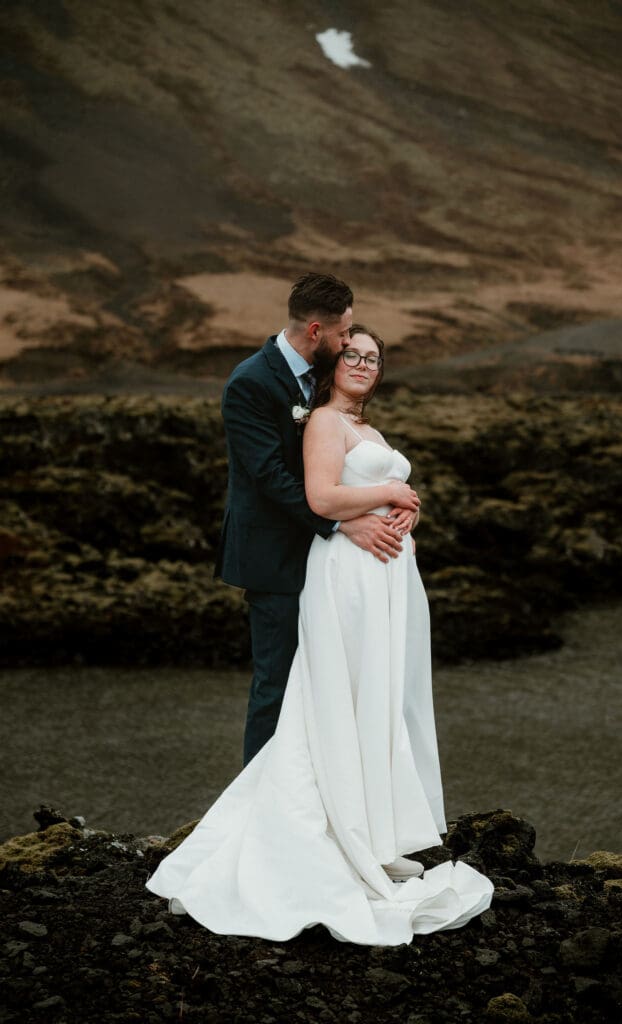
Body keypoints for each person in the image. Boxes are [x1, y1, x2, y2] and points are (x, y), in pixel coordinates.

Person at [147, 324, 493, 946]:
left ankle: (371, 824)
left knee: (379, 694)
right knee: (335, 690)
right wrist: (387, 492)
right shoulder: (325, 422)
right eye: (352, 353)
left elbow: (369, 492)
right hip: (349, 579)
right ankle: (304, 830)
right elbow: (322, 495)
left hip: (387, 577)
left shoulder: (369, 430)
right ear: (332, 363)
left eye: (373, 357)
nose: (362, 362)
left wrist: (406, 505)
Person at [213, 273, 409, 765]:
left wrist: (393, 504)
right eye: (345, 334)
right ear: (317, 330)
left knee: (329, 683)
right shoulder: (250, 383)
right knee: (276, 684)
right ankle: (258, 804)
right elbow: (270, 477)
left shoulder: (321, 378)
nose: (350, 343)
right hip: (274, 558)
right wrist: (342, 523)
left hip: (330, 563)